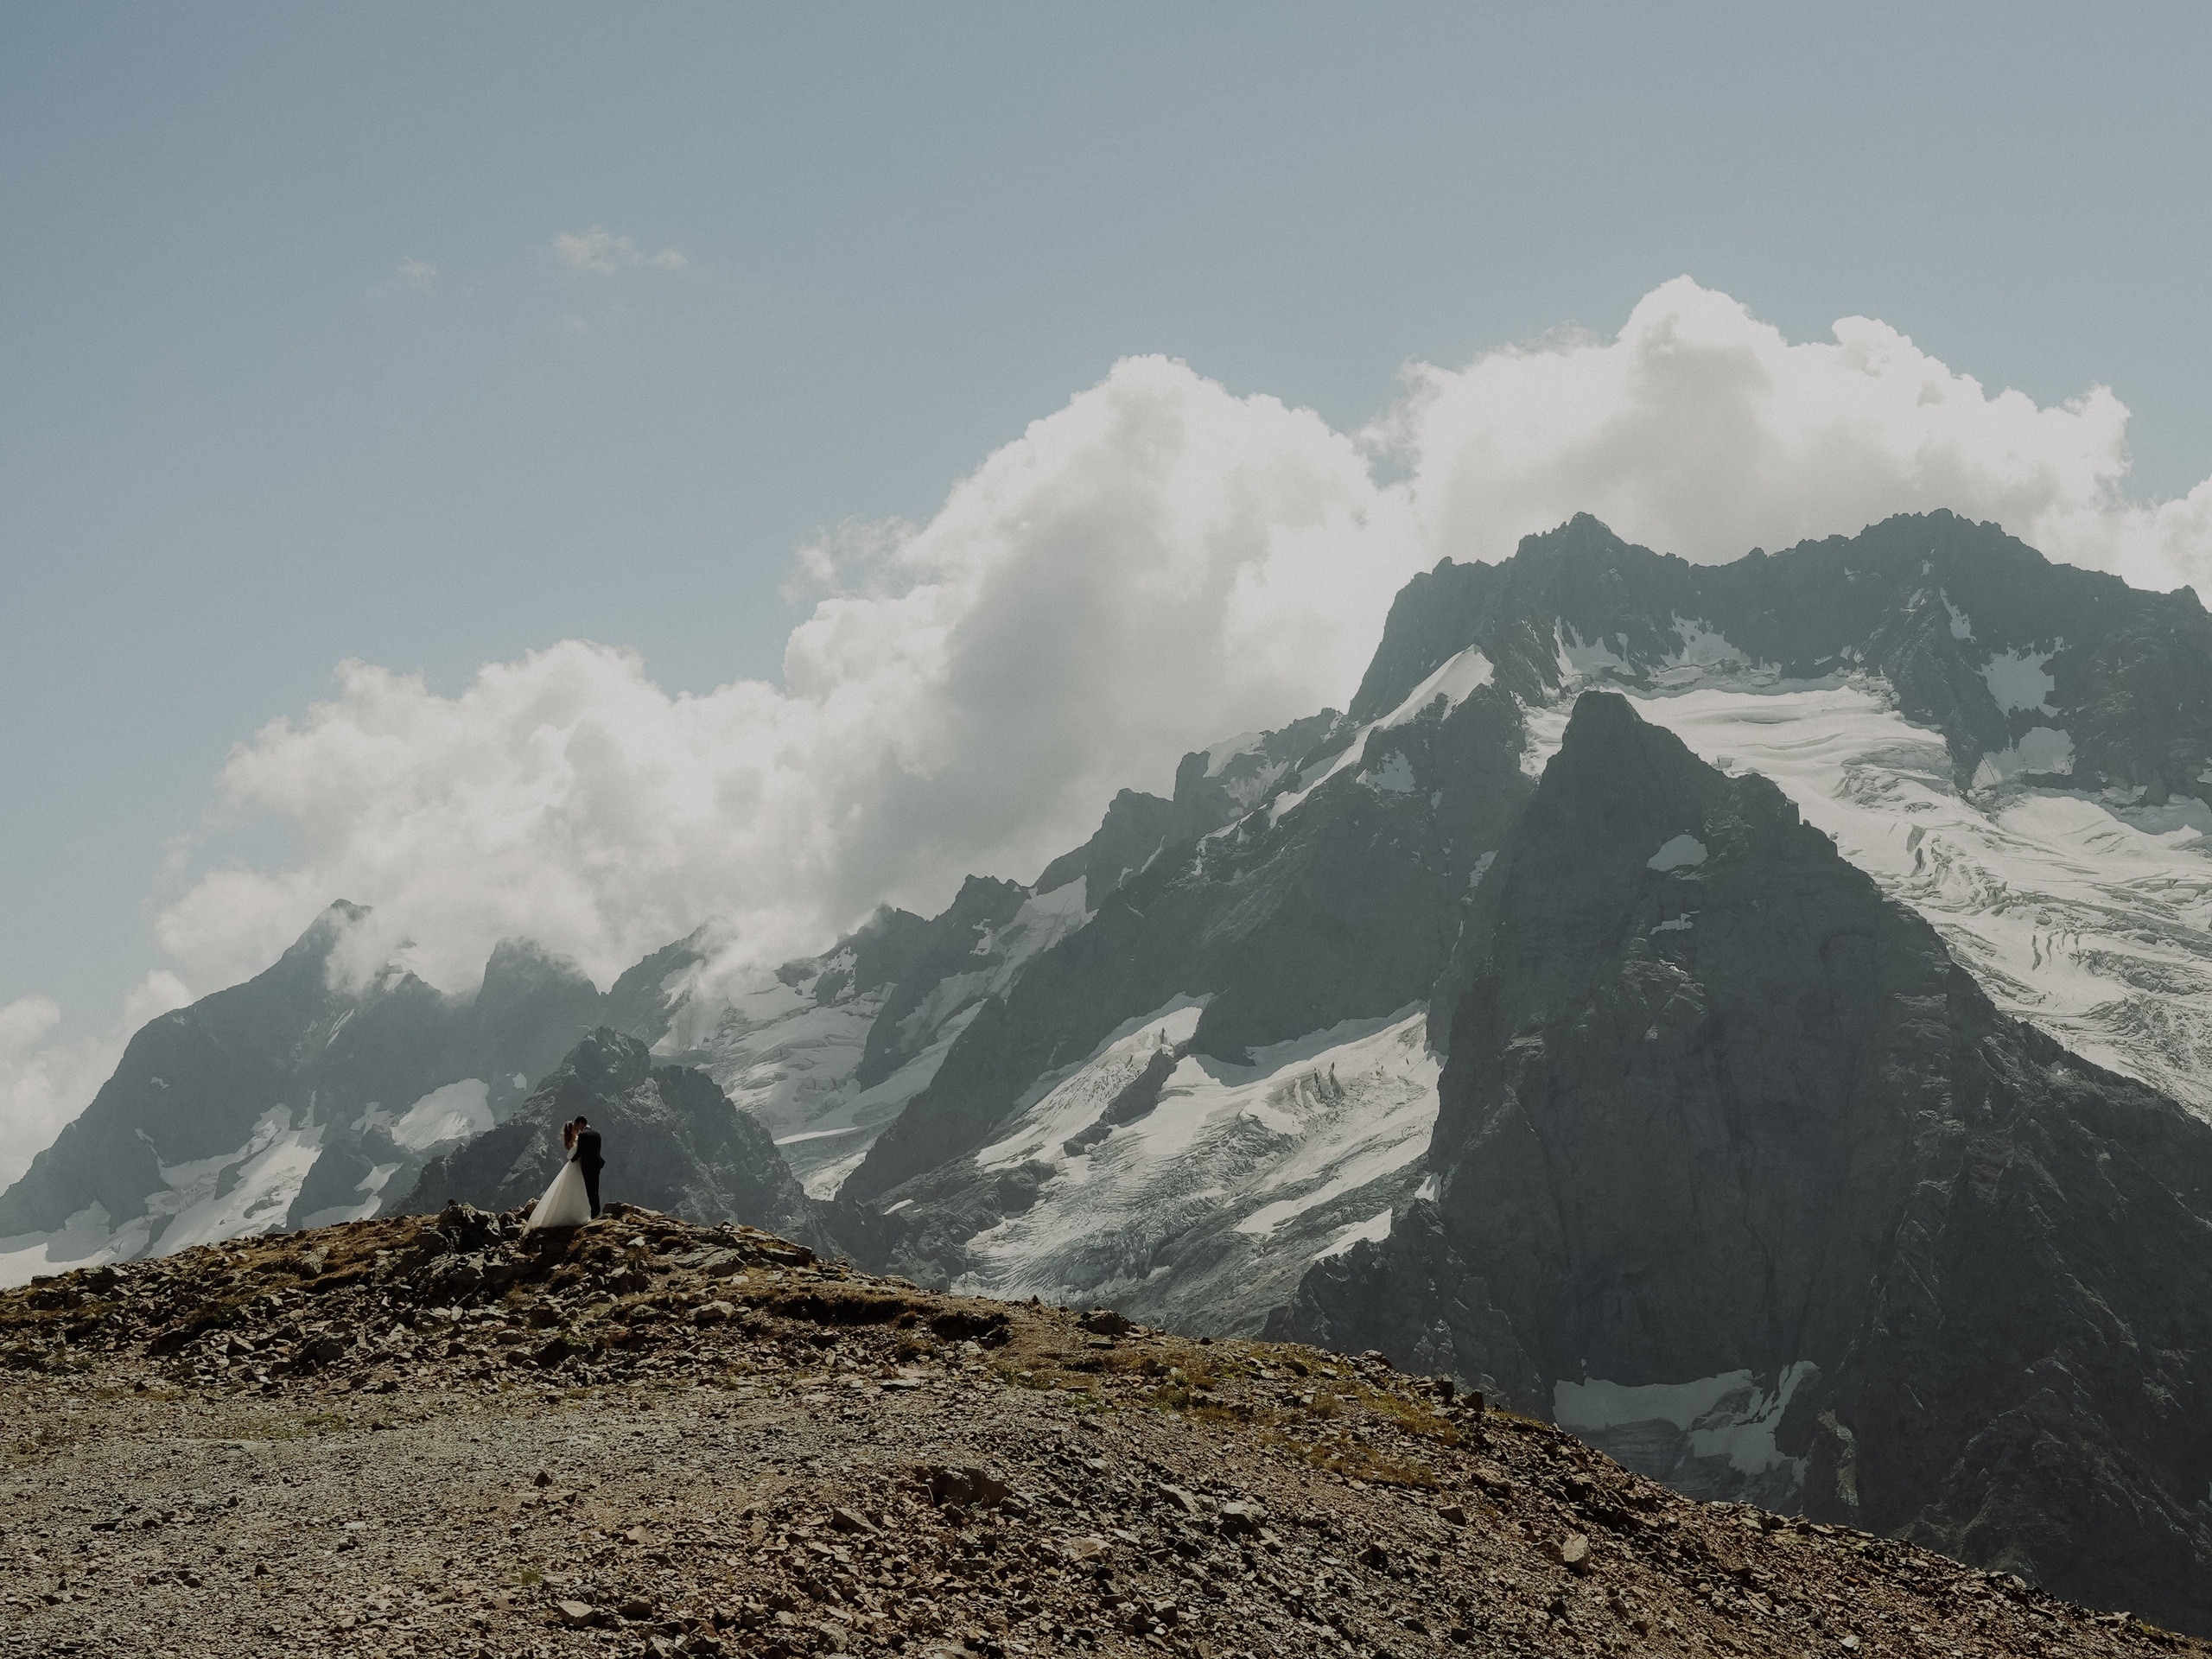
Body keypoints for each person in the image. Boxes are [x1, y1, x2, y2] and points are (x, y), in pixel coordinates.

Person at [523, 1116, 594, 1230]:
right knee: (575, 1189)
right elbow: (573, 1154)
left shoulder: (575, 1140)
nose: (577, 1129)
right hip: (575, 1166)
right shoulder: (573, 1141)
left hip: (576, 1166)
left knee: (576, 1189)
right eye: (575, 1128)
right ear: (571, 1130)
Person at [574, 1115, 605, 1219]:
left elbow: (580, 1152)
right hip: (597, 1164)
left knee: (589, 1189)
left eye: (577, 1125)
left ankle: (593, 1214)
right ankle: (597, 1211)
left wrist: (571, 1161)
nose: (578, 1128)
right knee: (595, 1188)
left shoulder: (583, 1135)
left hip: (588, 1165)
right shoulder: (597, 1134)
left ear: (581, 1123)